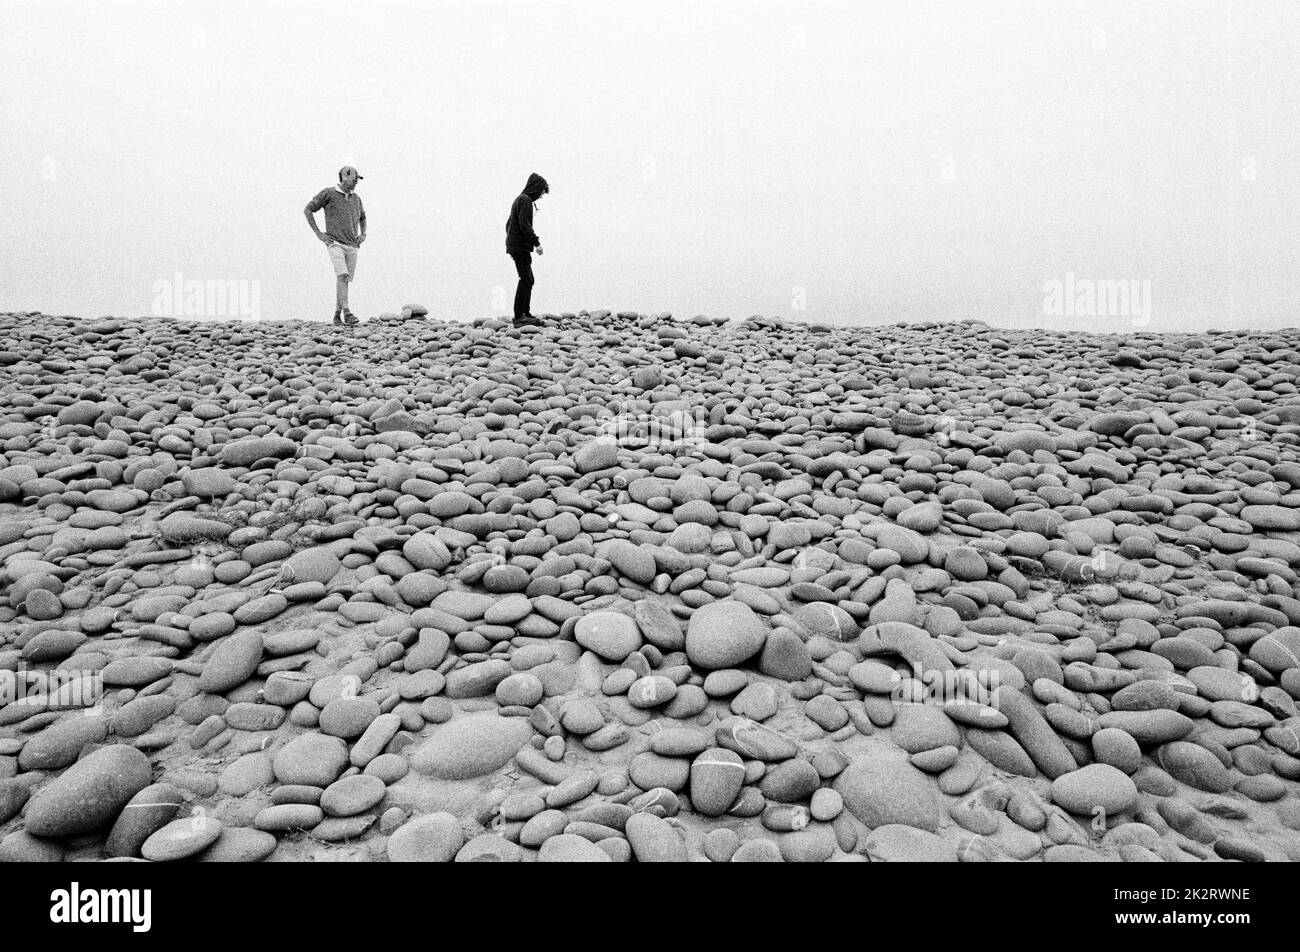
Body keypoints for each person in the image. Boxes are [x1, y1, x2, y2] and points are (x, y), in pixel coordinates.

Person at [305, 166, 367, 325]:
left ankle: (336, 315)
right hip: (334, 243)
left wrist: (363, 234)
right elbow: (308, 209)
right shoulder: (328, 193)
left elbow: (363, 217)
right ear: (345, 176)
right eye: (354, 179)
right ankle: (347, 313)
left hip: (352, 245)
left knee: (344, 280)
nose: (356, 182)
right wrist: (319, 233)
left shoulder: (356, 198)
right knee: (342, 275)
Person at [506, 172, 549, 325]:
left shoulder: (520, 199)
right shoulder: (525, 201)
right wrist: (537, 243)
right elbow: (524, 225)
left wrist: (511, 243)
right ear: (536, 189)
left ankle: (525, 314)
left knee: (528, 279)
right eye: (541, 193)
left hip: (516, 246)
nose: (540, 197)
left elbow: (509, 224)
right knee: (526, 279)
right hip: (519, 247)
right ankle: (519, 317)